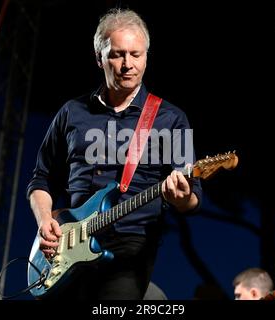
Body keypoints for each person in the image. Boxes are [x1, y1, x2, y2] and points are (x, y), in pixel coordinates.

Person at [26, 8, 202, 300]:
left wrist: (182, 198)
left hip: (131, 247)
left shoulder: (171, 119)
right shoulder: (72, 112)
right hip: (68, 246)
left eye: (136, 54)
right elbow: (41, 179)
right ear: (99, 58)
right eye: (117, 55)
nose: (127, 65)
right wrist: (45, 220)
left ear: (147, 56)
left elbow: (193, 198)